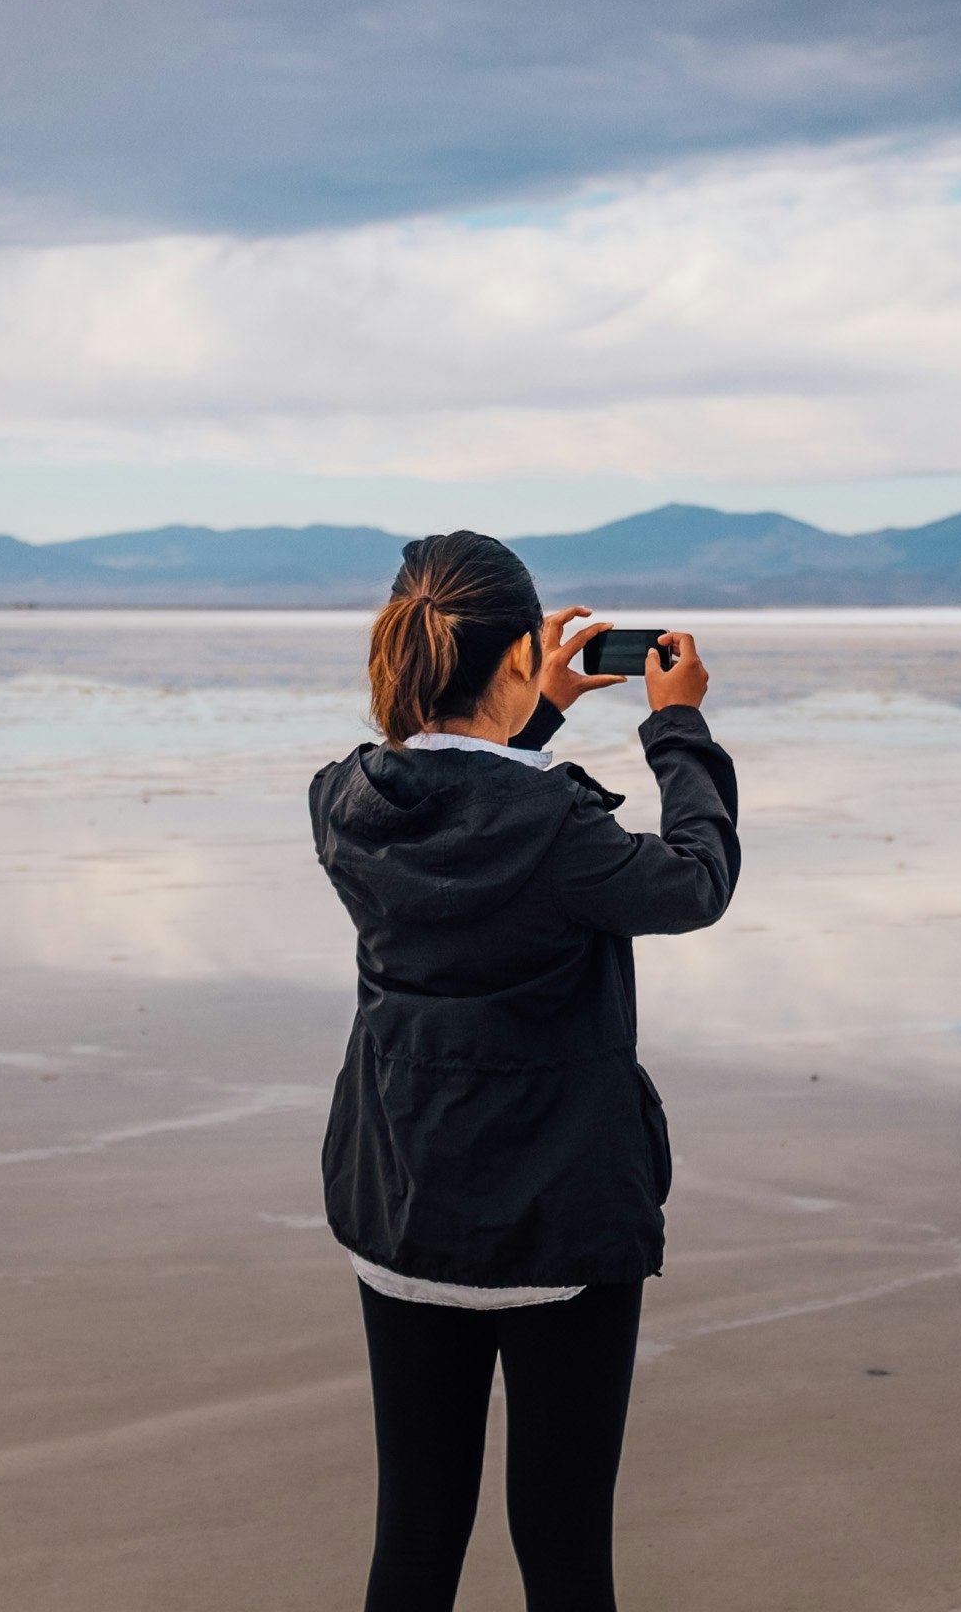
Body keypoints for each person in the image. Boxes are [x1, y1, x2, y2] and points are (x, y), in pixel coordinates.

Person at [310, 530, 740, 1612]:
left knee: (413, 1531)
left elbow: (459, 800)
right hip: (557, 1226)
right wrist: (676, 724)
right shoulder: (559, 834)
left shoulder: (345, 804)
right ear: (514, 653)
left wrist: (533, 713)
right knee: (561, 1545)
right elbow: (693, 880)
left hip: (401, 1211)